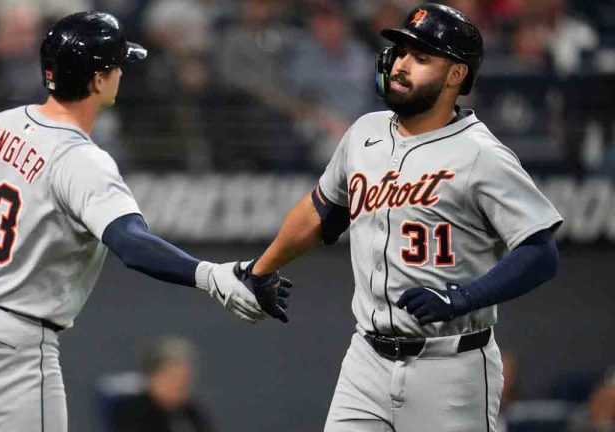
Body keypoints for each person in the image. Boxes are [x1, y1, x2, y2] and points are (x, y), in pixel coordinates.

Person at [0, 12, 290, 432]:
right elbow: (130, 242)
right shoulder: (81, 160)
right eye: (118, 65)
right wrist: (210, 275)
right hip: (10, 340)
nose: (122, 73)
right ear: (99, 79)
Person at [237, 3, 562, 431]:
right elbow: (320, 208)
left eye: (421, 57)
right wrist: (262, 268)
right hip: (366, 359)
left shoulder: (481, 155)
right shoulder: (365, 132)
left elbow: (541, 252)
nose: (402, 64)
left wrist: (463, 298)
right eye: (403, 52)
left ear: (456, 74)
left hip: (452, 365)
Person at [108, 336, 214, 432]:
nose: (180, 384)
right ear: (152, 377)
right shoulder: (134, 413)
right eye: (173, 378)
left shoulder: (190, 410)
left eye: (185, 379)